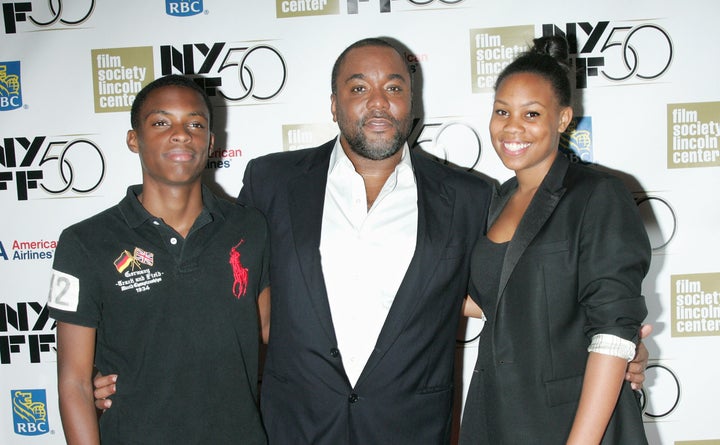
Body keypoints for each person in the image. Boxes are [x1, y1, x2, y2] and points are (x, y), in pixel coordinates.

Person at [92, 38, 651, 444]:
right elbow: (218, 279)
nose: (377, 102)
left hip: (413, 429)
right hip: (296, 429)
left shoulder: (471, 196)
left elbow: (518, 291)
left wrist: (616, 347)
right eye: (357, 88)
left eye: (393, 87)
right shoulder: (272, 182)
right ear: (334, 104)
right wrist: (135, 372)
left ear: (413, 105)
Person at [47, 75, 269, 445]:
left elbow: (272, 336)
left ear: (211, 142)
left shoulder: (250, 228)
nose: (181, 134)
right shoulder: (85, 242)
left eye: (195, 123)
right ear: (134, 139)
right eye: (161, 122)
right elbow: (74, 383)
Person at [459, 36, 650, 444]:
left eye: (531, 114)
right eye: (502, 111)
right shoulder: (496, 201)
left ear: (563, 119)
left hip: (569, 422)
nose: (512, 127)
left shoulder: (597, 195)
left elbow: (613, 333)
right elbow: (494, 300)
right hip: (496, 416)